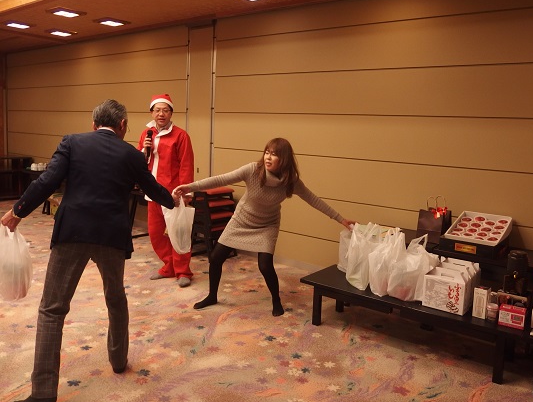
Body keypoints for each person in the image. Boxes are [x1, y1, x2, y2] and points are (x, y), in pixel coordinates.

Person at [1, 99, 175, 402]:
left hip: (72, 232)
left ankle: (43, 393)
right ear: (122, 126)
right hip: (112, 236)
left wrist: (18, 211)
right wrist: (176, 200)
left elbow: (47, 181)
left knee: (52, 309)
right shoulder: (132, 155)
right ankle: (118, 360)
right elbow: (153, 188)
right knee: (115, 299)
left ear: (94, 124)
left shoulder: (72, 142)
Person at [173, 137, 356, 317]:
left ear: (284, 159)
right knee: (215, 257)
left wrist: (341, 219)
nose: (268, 157)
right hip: (241, 220)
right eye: (267, 152)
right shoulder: (253, 170)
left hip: (267, 224)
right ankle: (212, 296)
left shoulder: (290, 181)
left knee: (265, 265)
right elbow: (221, 179)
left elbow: (313, 199)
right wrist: (190, 187)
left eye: (274, 154)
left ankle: (276, 300)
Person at [138, 94, 195, 287]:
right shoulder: (146, 134)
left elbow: (186, 165)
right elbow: (139, 163)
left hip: (173, 193)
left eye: (165, 110)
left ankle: (183, 271)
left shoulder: (181, 135)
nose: (161, 114)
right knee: (156, 233)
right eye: (157, 110)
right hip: (152, 192)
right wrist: (144, 151)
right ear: (151, 113)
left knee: (177, 233)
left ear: (171, 113)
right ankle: (169, 266)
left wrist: (185, 193)